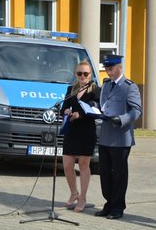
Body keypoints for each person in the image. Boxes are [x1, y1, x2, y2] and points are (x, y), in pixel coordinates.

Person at [94, 54, 142, 219]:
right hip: (106, 135)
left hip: (121, 138)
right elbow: (102, 103)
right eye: (106, 69)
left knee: (119, 174)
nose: (108, 72)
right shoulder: (106, 84)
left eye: (111, 69)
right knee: (105, 173)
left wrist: (121, 119)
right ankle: (109, 203)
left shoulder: (129, 87)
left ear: (120, 67)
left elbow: (136, 110)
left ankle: (118, 207)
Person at [60, 61, 101, 213]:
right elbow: (63, 108)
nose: (82, 76)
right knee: (67, 165)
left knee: (83, 164)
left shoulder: (95, 90)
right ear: (75, 74)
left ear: (90, 75)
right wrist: (66, 112)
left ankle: (83, 197)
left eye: (86, 74)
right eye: (79, 73)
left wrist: (80, 114)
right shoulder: (71, 89)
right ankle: (73, 193)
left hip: (86, 131)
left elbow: (97, 109)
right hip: (71, 131)